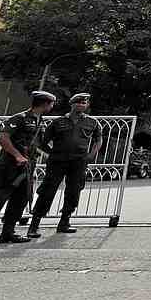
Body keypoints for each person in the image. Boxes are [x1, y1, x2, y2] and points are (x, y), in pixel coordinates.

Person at [0, 91, 56, 248]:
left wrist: (56, 154)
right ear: (44, 104)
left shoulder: (39, 121)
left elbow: (39, 144)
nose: (52, 106)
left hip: (26, 168)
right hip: (9, 166)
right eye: (51, 103)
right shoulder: (19, 118)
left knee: (19, 201)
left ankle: (7, 234)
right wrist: (17, 156)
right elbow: (3, 138)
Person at [27, 93, 101, 237]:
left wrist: (91, 155)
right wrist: (52, 152)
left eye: (84, 103)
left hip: (79, 162)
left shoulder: (92, 122)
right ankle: (34, 225)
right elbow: (42, 142)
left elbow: (98, 139)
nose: (81, 105)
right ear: (71, 104)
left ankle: (64, 222)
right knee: (47, 191)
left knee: (74, 192)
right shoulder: (58, 122)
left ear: (87, 106)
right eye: (78, 102)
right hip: (57, 161)